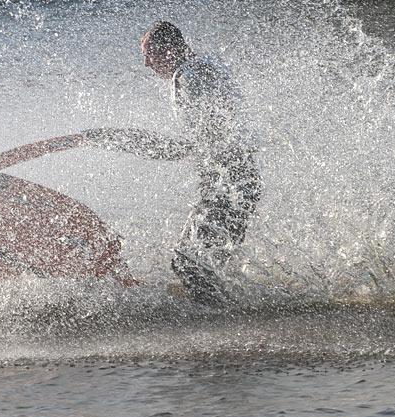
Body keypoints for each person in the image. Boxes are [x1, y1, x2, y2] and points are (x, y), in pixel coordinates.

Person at [82, 21, 261, 304]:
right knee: (195, 265)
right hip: (237, 182)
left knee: (189, 265)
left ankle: (224, 325)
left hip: (230, 186)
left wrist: (123, 141)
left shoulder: (189, 75)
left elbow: (197, 143)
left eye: (148, 55)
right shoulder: (202, 65)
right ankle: (231, 315)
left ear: (168, 51)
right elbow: (210, 138)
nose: (145, 65)